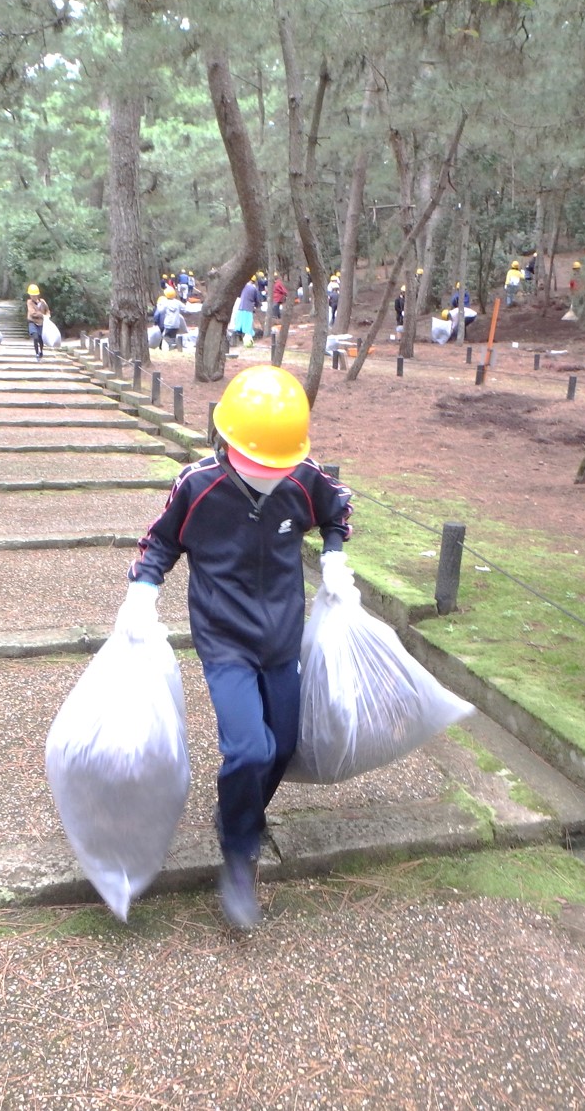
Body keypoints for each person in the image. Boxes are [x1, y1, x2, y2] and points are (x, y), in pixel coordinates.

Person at [119, 365, 353, 930]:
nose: (269, 475)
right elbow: (160, 542)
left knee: (283, 745)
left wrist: (335, 558)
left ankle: (241, 810)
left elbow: (337, 509)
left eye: (279, 465)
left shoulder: (302, 477)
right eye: (257, 463)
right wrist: (141, 594)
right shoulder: (198, 485)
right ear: (224, 441)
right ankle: (240, 853)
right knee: (249, 749)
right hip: (223, 639)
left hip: (281, 637)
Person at [155, 286, 186, 350]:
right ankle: (173, 347)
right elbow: (184, 308)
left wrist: (158, 305)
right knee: (173, 336)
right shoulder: (177, 302)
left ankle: (173, 345)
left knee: (165, 336)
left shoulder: (165, 303)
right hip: (176, 324)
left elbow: (161, 311)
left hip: (168, 323)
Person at [26, 283, 50, 358]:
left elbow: (47, 310)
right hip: (32, 322)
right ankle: (36, 353)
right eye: (31, 295)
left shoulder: (42, 302)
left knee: (41, 338)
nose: (33, 297)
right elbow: (32, 313)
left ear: (37, 295)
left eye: (34, 295)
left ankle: (41, 351)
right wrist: (42, 315)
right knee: (35, 337)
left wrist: (48, 315)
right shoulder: (29, 302)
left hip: (41, 323)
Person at [237, 275, 260, 346]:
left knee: (240, 323)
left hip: (240, 307)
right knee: (248, 324)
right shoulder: (254, 288)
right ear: (254, 281)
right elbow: (257, 299)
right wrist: (257, 305)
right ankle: (248, 339)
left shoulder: (243, 286)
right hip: (248, 308)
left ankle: (238, 334)